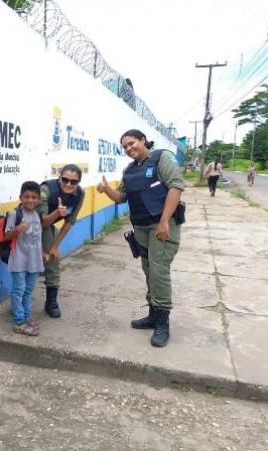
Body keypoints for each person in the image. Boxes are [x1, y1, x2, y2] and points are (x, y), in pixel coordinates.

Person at [97, 129, 183, 347]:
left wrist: (164, 222)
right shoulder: (130, 170)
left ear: (143, 140)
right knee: (148, 270)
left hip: (162, 225)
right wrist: (107, 189)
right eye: (124, 146)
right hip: (142, 227)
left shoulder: (161, 158)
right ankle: (154, 314)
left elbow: (175, 186)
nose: (128, 148)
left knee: (159, 271)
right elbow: (121, 197)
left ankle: (163, 323)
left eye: (131, 143)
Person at [39, 164, 85, 318]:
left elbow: (69, 221)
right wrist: (57, 212)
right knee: (28, 265)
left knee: (52, 256)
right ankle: (20, 302)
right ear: (59, 178)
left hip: (47, 225)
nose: (69, 184)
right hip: (29, 224)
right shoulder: (46, 190)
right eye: (65, 180)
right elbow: (42, 222)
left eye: (74, 181)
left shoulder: (79, 193)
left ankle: (51, 301)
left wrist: (54, 246)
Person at [5, 181, 45, 336]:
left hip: (34, 261)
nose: (30, 200)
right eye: (26, 196)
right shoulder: (15, 214)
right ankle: (19, 321)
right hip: (18, 260)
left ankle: (26, 317)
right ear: (20, 197)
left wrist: (42, 253)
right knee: (18, 290)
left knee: (28, 291)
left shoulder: (37, 214)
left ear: (38, 200)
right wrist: (18, 229)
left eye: (34, 197)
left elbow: (38, 237)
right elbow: (7, 236)